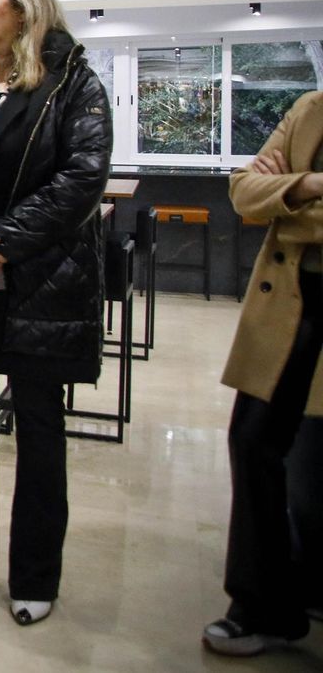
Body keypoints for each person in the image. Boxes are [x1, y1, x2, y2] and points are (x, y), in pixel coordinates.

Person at [0, 0, 110, 627]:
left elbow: (81, 180)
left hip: (40, 279)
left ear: (24, 6)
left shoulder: (73, 82)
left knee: (38, 428)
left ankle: (36, 574)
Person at [203, 89, 323, 656]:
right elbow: (244, 190)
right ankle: (260, 601)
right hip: (292, 305)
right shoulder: (311, 108)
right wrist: (305, 185)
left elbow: (266, 200)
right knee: (252, 443)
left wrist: (287, 197)